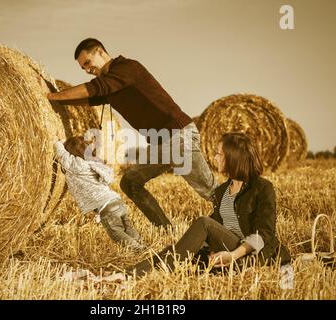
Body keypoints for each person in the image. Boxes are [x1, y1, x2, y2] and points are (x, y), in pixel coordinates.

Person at [47, 38, 217, 228]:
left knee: (209, 190)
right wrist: (57, 101)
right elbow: (89, 99)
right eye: (83, 68)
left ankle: (244, 226)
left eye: (87, 63)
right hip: (161, 142)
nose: (87, 70)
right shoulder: (112, 82)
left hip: (178, 135)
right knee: (130, 182)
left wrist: (51, 96)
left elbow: (96, 88)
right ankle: (166, 229)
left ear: (101, 52)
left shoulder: (126, 68)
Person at [126, 132, 292, 277]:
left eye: (219, 154)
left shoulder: (262, 188)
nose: (215, 158)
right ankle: (127, 275)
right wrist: (202, 247)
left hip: (252, 255)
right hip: (228, 251)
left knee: (203, 223)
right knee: (175, 250)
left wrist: (233, 255)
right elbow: (217, 227)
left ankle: (158, 273)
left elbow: (264, 233)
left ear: (233, 157)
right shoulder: (222, 191)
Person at [54, 136, 145, 252]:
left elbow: (62, 155)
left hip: (106, 207)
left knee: (116, 233)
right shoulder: (92, 164)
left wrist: (57, 142)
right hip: (116, 201)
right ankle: (142, 244)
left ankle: (138, 249)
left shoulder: (77, 165)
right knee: (128, 228)